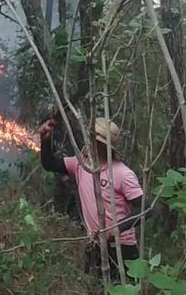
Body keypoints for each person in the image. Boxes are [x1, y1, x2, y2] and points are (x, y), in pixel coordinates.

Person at [38, 116, 144, 282]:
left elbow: (145, 209)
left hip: (122, 249)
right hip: (95, 245)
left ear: (103, 146)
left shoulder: (123, 174)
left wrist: (116, 229)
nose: (90, 143)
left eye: (94, 140)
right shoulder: (81, 164)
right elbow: (50, 164)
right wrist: (45, 141)